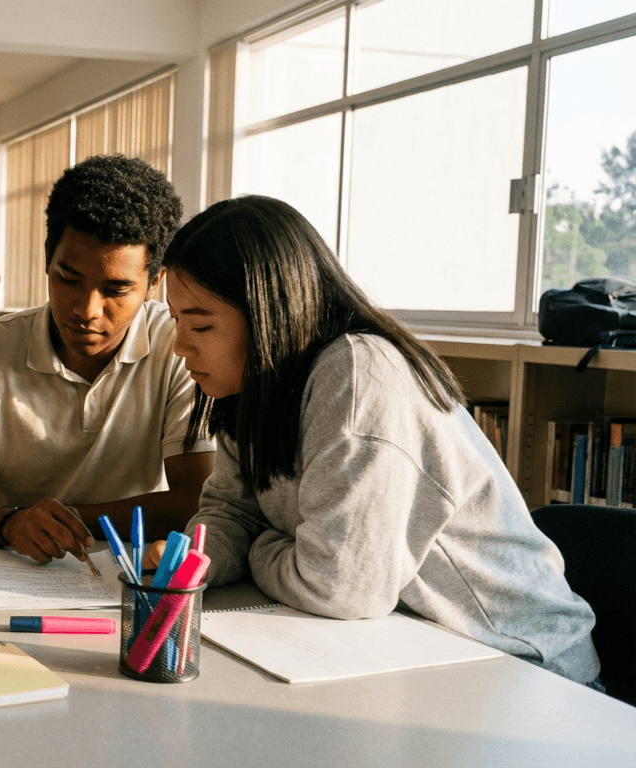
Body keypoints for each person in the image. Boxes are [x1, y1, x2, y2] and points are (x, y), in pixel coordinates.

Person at [154, 194, 599, 684]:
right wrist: (194, 561)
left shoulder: (358, 373)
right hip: (403, 646)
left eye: (200, 323)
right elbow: (232, 512)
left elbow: (339, 587)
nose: (180, 345)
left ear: (267, 311)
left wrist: (263, 547)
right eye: (176, 320)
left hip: (521, 666)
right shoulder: (252, 388)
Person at [0, 154, 214, 566]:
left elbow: (195, 501)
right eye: (68, 279)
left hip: (129, 575)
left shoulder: (178, 345)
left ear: (155, 281)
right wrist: (11, 524)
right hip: (12, 569)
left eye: (116, 289)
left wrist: (66, 520)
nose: (87, 310)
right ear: (48, 256)